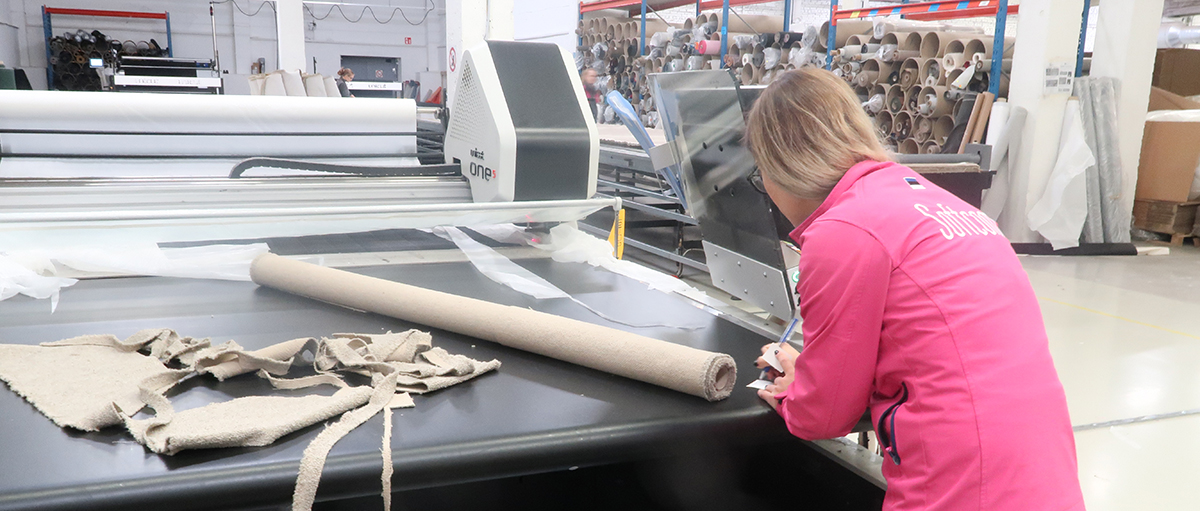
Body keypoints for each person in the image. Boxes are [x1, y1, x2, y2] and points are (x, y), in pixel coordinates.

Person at [746, 68, 1085, 511]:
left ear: (782, 168)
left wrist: (794, 392)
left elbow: (823, 415)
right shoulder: (942, 204)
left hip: (962, 485)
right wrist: (811, 370)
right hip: (1042, 479)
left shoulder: (843, 230)